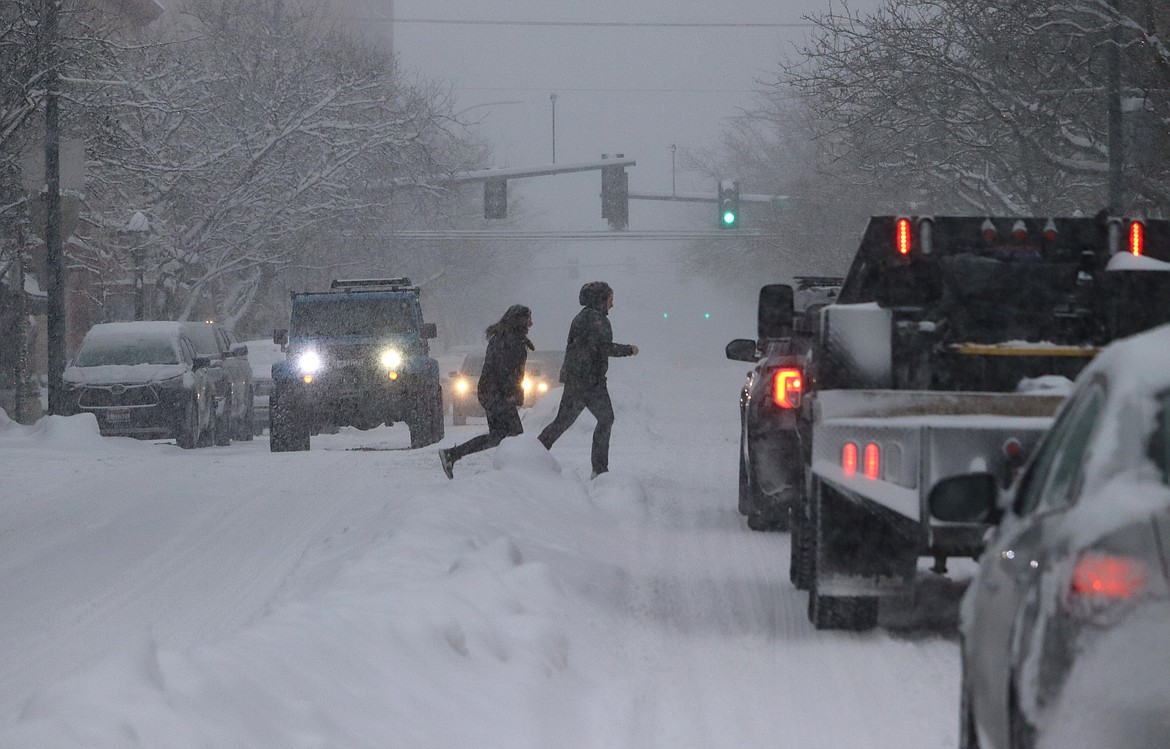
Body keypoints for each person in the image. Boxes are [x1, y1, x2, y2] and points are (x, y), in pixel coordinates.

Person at [538, 281, 638, 478]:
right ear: (601, 299)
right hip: (590, 381)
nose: (612, 304)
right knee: (605, 419)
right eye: (610, 299)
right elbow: (603, 347)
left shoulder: (584, 317)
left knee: (562, 422)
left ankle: (533, 455)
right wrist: (629, 349)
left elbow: (592, 347)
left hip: (578, 378)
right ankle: (599, 470)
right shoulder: (596, 319)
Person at [439, 305, 534, 479]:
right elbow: (509, 372)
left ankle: (452, 455)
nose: (531, 323)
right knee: (515, 437)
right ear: (520, 320)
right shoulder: (513, 342)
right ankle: (518, 474)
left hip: (491, 393)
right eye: (529, 319)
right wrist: (512, 394)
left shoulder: (501, 338)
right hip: (499, 395)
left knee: (498, 436)